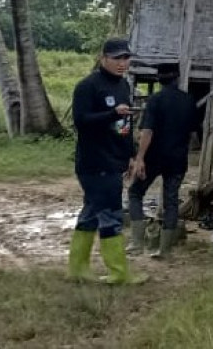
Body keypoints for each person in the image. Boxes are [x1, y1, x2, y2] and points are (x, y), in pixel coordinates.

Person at [66, 38, 145, 284]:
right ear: (103, 58)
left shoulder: (123, 86)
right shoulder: (88, 86)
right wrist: (112, 113)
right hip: (94, 162)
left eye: (126, 58)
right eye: (117, 58)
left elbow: (124, 126)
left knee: (91, 211)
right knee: (111, 214)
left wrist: (131, 155)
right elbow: (81, 121)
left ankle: (77, 269)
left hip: (115, 160)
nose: (123, 63)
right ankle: (118, 273)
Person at [127, 63, 197, 259]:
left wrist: (140, 158)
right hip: (177, 158)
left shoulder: (155, 100)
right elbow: (192, 134)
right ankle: (165, 250)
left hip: (154, 157)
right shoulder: (188, 100)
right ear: (177, 78)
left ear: (159, 80)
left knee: (135, 193)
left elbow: (147, 132)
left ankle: (137, 243)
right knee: (171, 201)